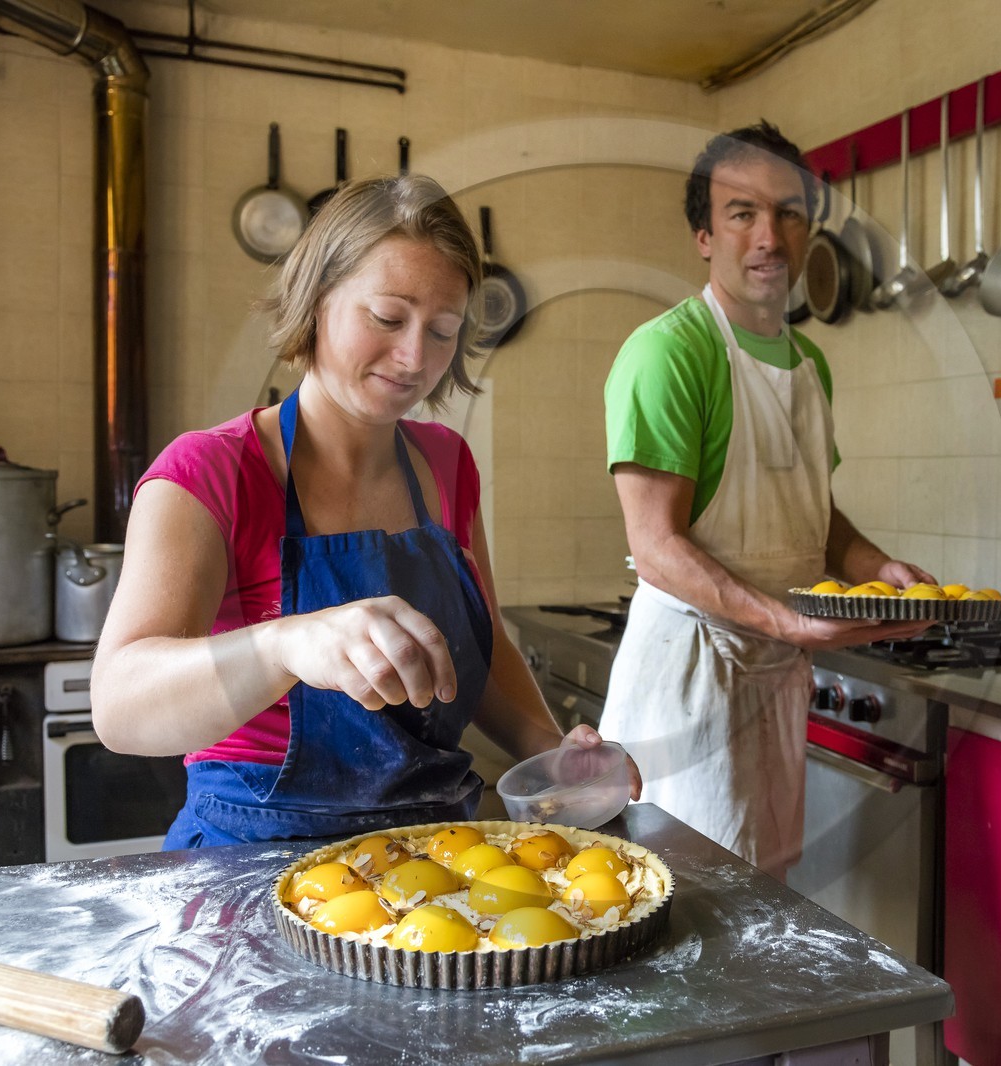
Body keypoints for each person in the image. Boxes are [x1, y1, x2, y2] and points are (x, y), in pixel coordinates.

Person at [91, 174, 637, 848]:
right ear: (318, 302)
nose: (414, 358)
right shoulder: (210, 470)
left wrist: (553, 750)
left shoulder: (446, 463)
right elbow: (119, 706)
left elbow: (483, 644)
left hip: (434, 849)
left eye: (443, 331)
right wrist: (288, 643)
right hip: (252, 852)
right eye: (386, 318)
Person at [599, 122, 934, 879]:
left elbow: (815, 511)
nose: (769, 237)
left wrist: (876, 564)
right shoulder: (669, 352)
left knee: (764, 902)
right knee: (689, 916)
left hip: (774, 677)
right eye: (742, 213)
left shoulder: (808, 364)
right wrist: (789, 619)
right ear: (704, 236)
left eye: (788, 213)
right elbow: (655, 545)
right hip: (692, 679)